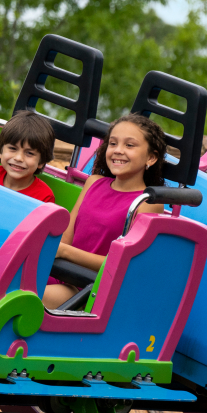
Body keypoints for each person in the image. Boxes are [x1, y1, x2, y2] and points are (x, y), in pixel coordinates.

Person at [42, 114, 167, 309]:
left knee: (13, 298)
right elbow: (66, 236)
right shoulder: (93, 182)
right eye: (113, 143)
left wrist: (65, 252)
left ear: (151, 157)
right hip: (58, 271)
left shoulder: (147, 202)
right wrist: (60, 252)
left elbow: (124, 264)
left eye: (130, 145)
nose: (118, 151)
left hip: (87, 288)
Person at [0, 110, 56, 203]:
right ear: (1, 151)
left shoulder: (44, 197)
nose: (18, 158)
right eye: (13, 148)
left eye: (29, 153)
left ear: (41, 162)